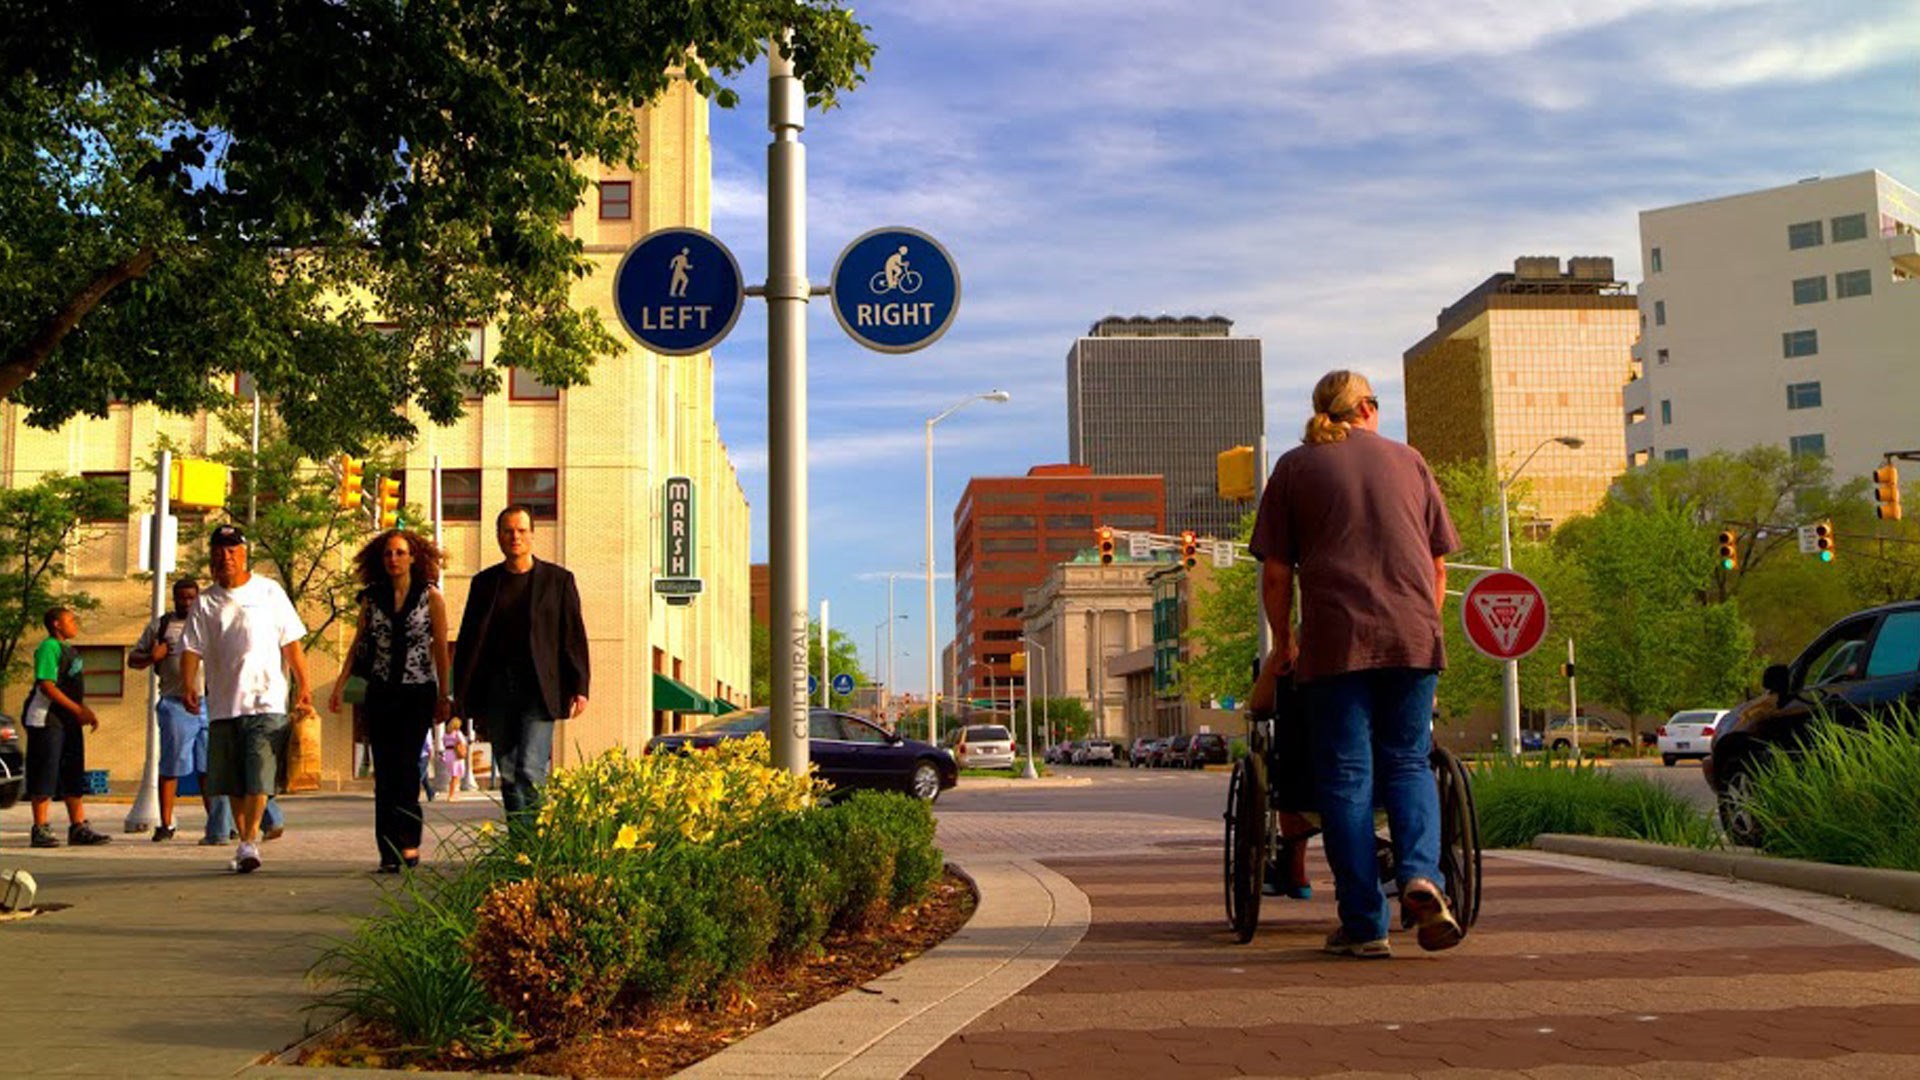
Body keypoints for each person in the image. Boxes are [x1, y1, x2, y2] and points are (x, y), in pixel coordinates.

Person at [1248, 370, 1464, 959]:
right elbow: (1438, 567)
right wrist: (1425, 624)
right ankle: (1421, 877)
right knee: (1409, 762)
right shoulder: (1410, 461)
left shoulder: (1294, 468)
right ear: (1367, 407)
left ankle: (1365, 924)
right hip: (1413, 638)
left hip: (1336, 641)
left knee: (1346, 777)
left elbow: (1275, 572)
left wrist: (1284, 640)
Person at [181, 524, 312, 874]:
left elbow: (292, 644)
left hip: (267, 701)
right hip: (224, 704)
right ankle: (245, 842)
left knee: (259, 776)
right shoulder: (205, 601)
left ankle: (250, 839)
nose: (225, 557)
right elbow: (191, 648)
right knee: (233, 781)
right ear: (211, 558)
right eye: (219, 551)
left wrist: (304, 686)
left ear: (243, 555)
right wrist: (188, 684)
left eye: (232, 550)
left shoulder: (269, 591)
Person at [452, 505, 589, 828]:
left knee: (530, 768)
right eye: (508, 531)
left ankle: (538, 843)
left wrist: (579, 686)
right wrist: (459, 694)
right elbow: (468, 640)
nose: (515, 537)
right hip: (498, 690)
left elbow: (573, 636)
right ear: (498, 536)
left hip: (539, 690)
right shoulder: (485, 583)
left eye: (521, 530)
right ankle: (521, 847)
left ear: (532, 535)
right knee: (510, 772)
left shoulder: (558, 580)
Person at [329, 530, 451, 873]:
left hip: (417, 691)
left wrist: (444, 695)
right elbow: (358, 645)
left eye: (400, 553)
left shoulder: (431, 597)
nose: (393, 559)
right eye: (388, 554)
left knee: (406, 768)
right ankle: (388, 851)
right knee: (384, 772)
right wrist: (340, 685)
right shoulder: (372, 598)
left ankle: (409, 842)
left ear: (413, 557)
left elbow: (440, 647)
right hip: (381, 692)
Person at [129, 577, 215, 843]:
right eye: (182, 597)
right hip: (176, 703)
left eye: (192, 597)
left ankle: (218, 823)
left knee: (209, 768)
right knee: (172, 765)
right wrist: (152, 657)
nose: (187, 602)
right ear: (175, 598)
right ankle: (165, 824)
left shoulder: (208, 623)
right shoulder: (162, 626)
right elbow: (133, 659)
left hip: (209, 703)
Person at [23, 607, 112, 848]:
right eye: (71, 619)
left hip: (68, 721)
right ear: (56, 624)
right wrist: (78, 710)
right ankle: (40, 828)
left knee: (73, 772)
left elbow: (69, 689)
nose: (75, 623)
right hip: (47, 720)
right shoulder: (48, 647)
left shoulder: (70, 650)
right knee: (45, 773)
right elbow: (47, 686)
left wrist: (83, 712)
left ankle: (78, 826)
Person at [441, 719, 468, 802]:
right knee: (456, 775)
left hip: (447, 754)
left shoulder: (445, 734)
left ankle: (452, 793)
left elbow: (444, 743)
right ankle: (451, 795)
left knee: (453, 775)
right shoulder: (457, 733)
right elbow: (463, 742)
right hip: (455, 755)